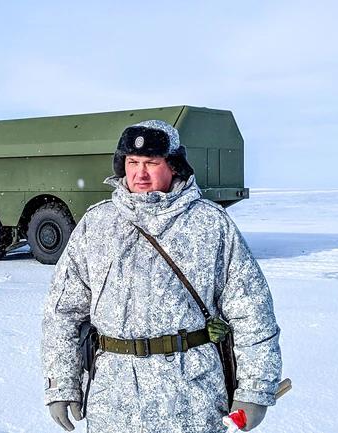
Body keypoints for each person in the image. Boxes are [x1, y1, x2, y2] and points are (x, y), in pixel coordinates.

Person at [42, 120, 282, 433]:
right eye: (132, 163)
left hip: (191, 399)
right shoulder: (96, 225)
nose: (139, 174)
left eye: (151, 163)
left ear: (174, 166)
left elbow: (252, 312)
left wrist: (254, 390)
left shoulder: (210, 224)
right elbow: (63, 313)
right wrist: (61, 383)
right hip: (113, 400)